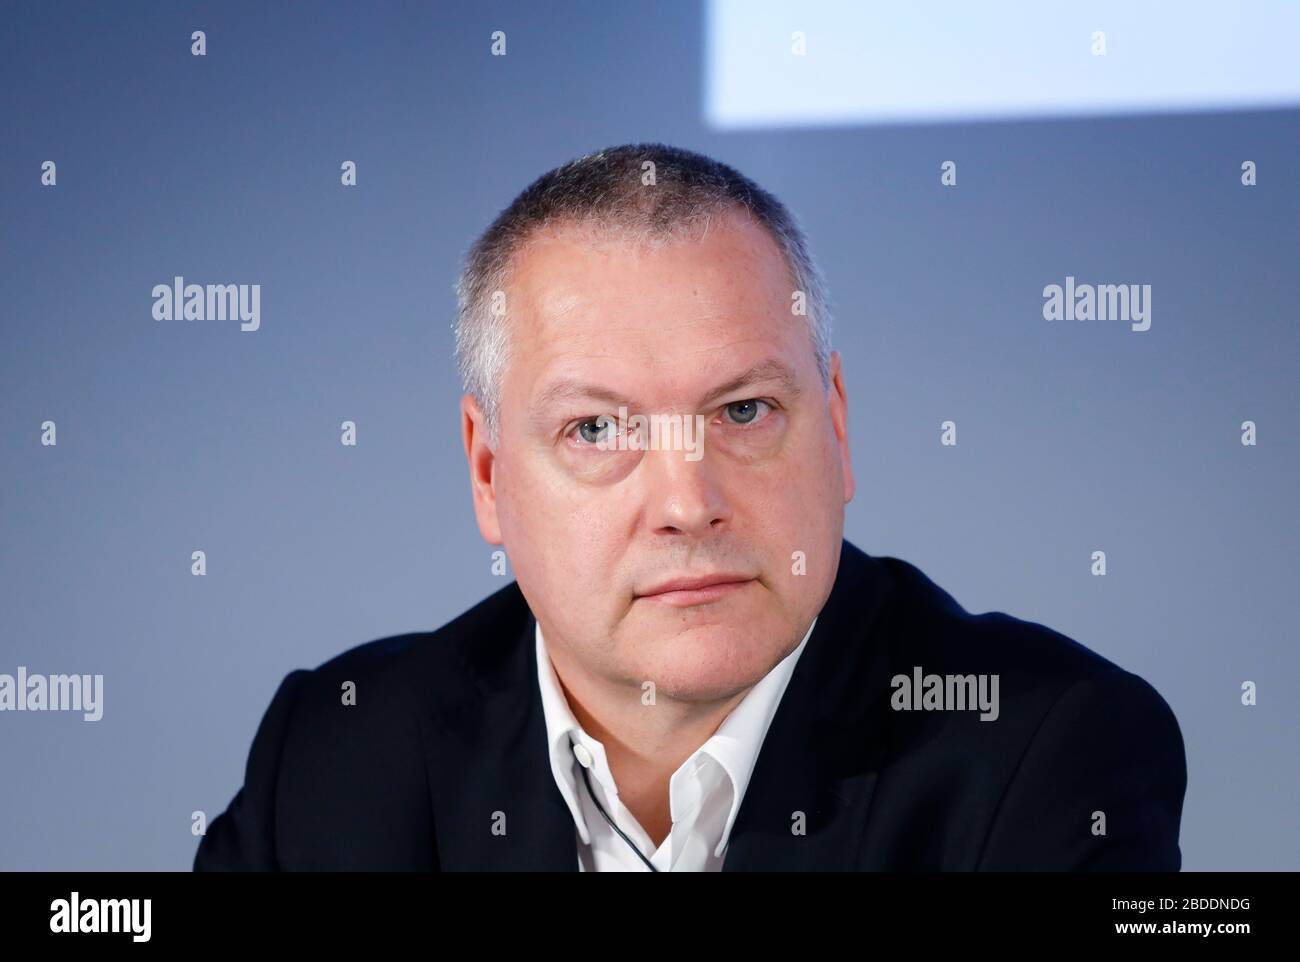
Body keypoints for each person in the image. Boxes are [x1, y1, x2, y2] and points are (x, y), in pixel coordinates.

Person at [194, 143, 1186, 871]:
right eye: (595, 430)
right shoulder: (336, 754)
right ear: (488, 471)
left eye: (743, 410)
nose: (686, 501)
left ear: (834, 427)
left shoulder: (1049, 749)